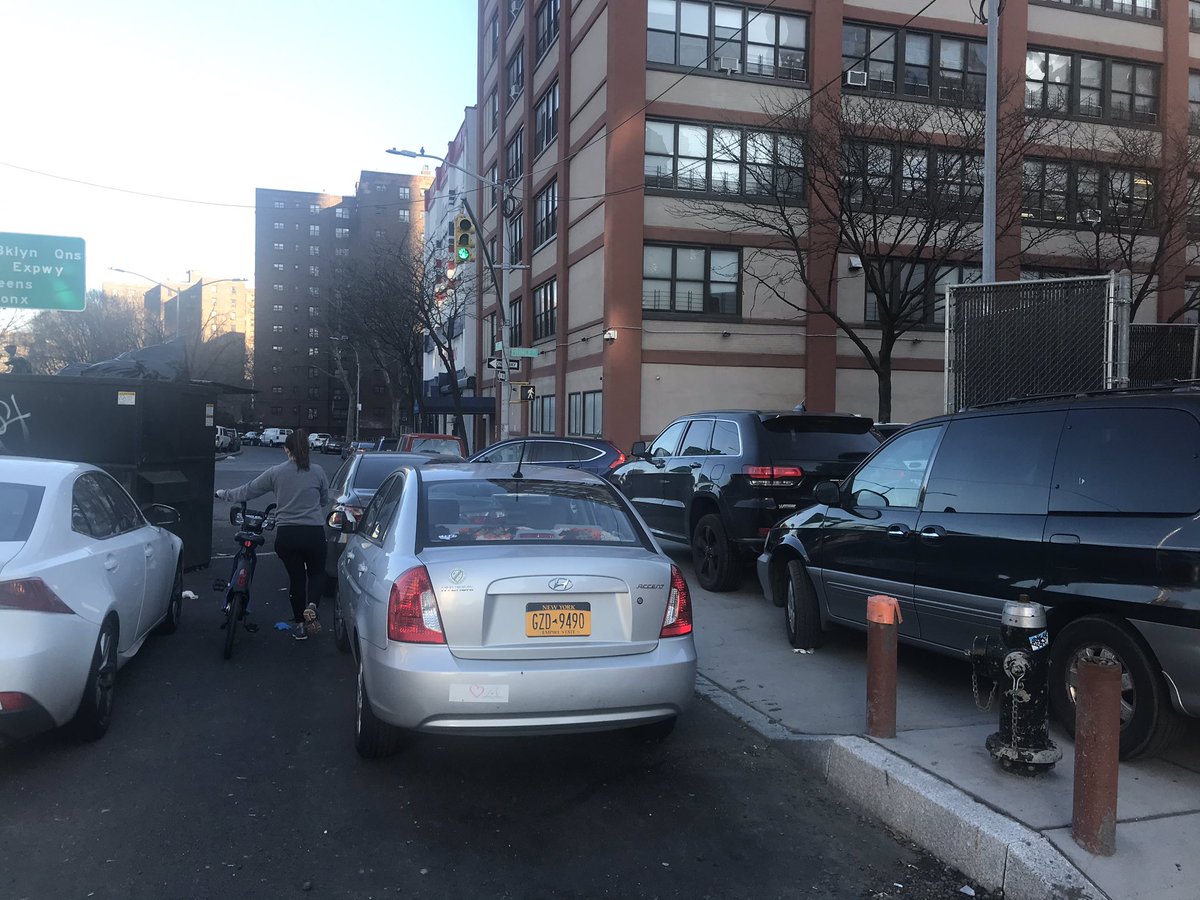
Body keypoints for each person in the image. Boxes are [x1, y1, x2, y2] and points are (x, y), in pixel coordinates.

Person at [216, 428, 330, 641]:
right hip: (313, 532)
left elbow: (249, 490)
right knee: (316, 573)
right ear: (309, 449)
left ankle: (299, 625)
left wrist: (225, 494)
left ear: (286, 450)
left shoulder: (276, 472)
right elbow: (323, 500)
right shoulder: (318, 472)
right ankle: (312, 604)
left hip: (287, 535)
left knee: (296, 579)